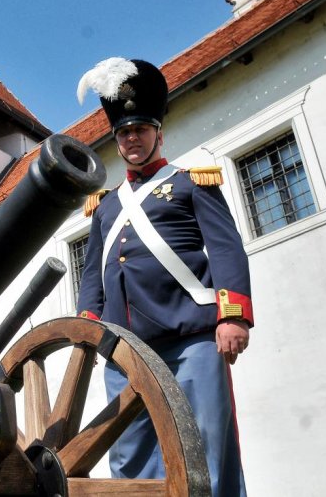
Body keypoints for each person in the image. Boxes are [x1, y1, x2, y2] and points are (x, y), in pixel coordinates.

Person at [75, 58, 253, 496]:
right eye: (123, 132)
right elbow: (93, 272)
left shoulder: (192, 183)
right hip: (126, 349)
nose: (131, 138)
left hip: (190, 337)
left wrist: (233, 316)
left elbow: (227, 249)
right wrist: (88, 323)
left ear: (158, 132)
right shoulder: (107, 206)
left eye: (139, 129)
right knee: (131, 455)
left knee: (207, 444)